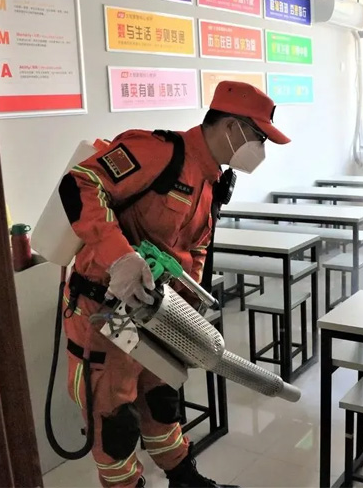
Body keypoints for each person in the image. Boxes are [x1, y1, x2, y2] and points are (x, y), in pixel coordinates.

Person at [57, 81, 290, 488]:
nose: (260, 150)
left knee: (162, 400)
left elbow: (194, 249)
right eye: (258, 138)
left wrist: (186, 309)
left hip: (155, 313)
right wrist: (121, 256)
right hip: (105, 311)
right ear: (231, 127)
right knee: (115, 419)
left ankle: (184, 478)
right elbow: (79, 183)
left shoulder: (211, 182)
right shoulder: (159, 153)